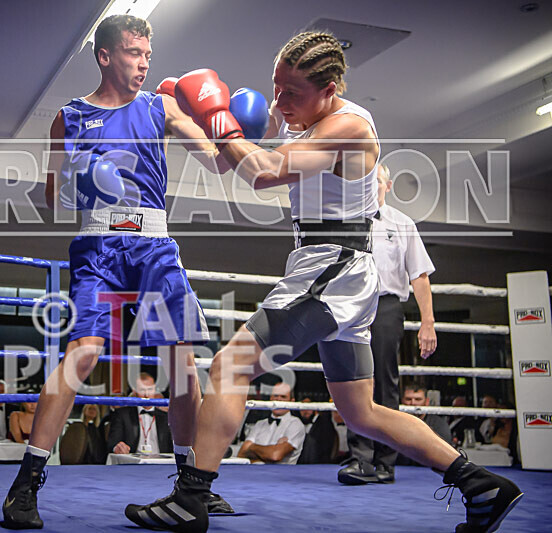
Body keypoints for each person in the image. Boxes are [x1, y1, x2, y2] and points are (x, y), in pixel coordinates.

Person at [124, 31, 522, 533]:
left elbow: (264, 172)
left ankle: (191, 497)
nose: (279, 101)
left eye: (291, 92)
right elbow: (224, 159)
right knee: (361, 413)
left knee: (229, 366)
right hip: (336, 274)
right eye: (276, 88)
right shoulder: (296, 117)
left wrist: (221, 118)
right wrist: (183, 115)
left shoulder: (348, 127)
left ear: (329, 88)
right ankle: (480, 484)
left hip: (334, 269)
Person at [1, 14, 232, 529]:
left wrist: (224, 121)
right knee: (82, 353)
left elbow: (216, 160)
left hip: (153, 245)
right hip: (98, 247)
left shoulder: (161, 106)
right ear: (105, 56)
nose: (143, 63)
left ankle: (190, 483)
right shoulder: (69, 117)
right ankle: (26, 484)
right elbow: (49, 196)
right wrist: (82, 177)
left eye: (148, 54)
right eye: (133, 53)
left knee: (180, 362)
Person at [338, 162, 438, 485]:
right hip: (353, 306)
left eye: (376, 180)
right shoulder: (345, 221)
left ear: (388, 185)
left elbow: (419, 276)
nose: (370, 185)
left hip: (386, 305)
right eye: (365, 180)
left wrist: (428, 322)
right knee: (355, 380)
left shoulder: (402, 223)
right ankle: (359, 459)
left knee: (384, 380)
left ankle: (385, 463)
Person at [238, 381, 305, 464]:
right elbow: (241, 454)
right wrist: (271, 449)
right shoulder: (260, 424)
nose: (278, 399)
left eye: (283, 397)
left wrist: (251, 447)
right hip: (254, 473)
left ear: (292, 401)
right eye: (275, 396)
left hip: (281, 475)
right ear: (270, 398)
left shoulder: (295, 424)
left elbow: (275, 455)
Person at [107, 373, 173, 455]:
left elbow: (173, 445)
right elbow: (112, 443)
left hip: (162, 464)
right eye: (142, 390)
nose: (146, 395)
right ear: (135, 391)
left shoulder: (166, 417)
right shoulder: (122, 414)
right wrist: (117, 448)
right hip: (132, 464)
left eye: (150, 389)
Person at [396, 383, 453, 466]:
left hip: (429, 472)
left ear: (426, 402)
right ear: (402, 401)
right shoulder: (395, 422)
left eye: (418, 399)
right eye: (408, 399)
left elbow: (444, 455)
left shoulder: (438, 424)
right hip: (401, 469)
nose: (413, 403)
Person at [296, 396, 337, 464]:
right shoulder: (297, 423)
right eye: (302, 408)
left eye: (308, 407)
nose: (305, 411)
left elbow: (326, 449)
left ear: (315, 408)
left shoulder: (325, 424)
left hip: (318, 464)